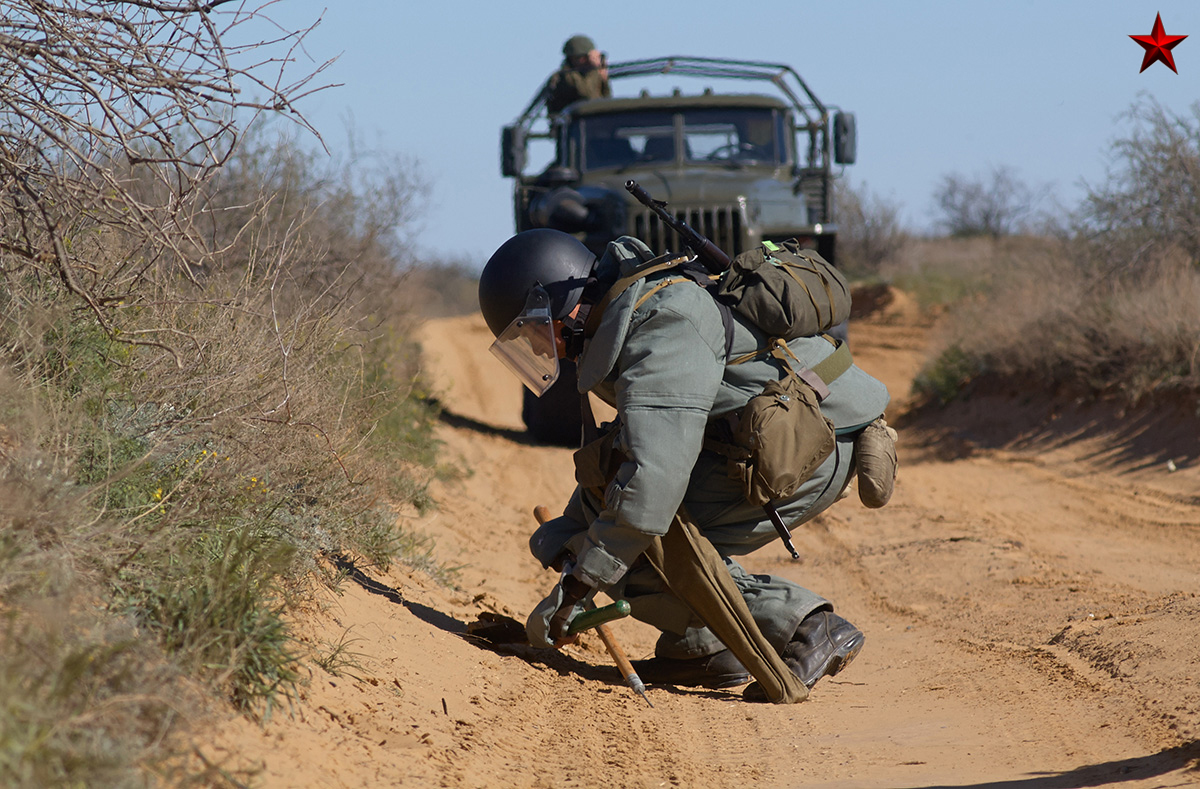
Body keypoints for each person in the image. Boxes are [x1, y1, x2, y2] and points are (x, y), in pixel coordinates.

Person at [477, 228, 896, 699]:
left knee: (641, 548)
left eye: (534, 330)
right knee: (608, 530)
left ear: (566, 299)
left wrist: (575, 589)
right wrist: (571, 537)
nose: (537, 348)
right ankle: (703, 648)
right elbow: (630, 452)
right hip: (768, 430)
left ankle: (807, 625)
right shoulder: (625, 315)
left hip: (816, 441)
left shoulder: (663, 325)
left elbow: (651, 487)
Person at [545, 34, 611, 115]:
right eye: (583, 57)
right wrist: (595, 69)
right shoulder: (565, 76)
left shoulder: (592, 73)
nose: (588, 61)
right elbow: (587, 97)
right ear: (572, 58)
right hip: (575, 123)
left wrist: (603, 77)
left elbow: (606, 100)